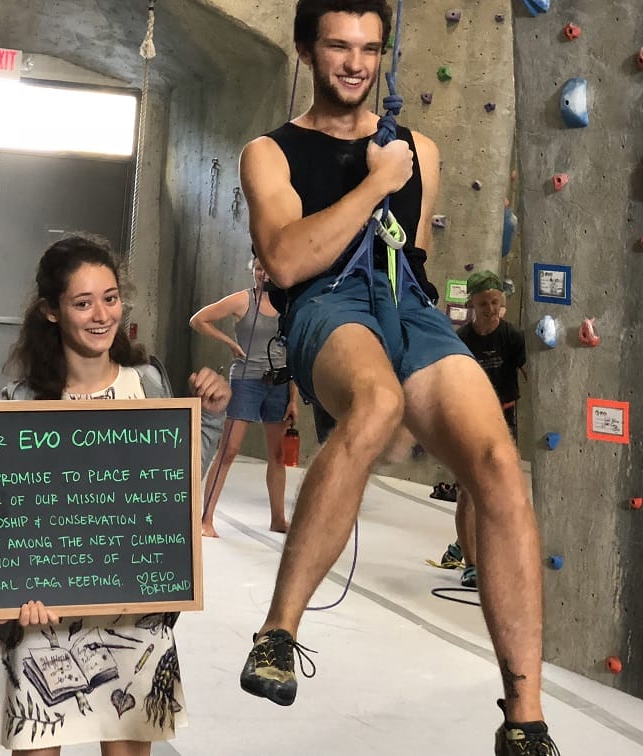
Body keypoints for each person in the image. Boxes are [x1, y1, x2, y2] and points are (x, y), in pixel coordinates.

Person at [236, 2, 557, 754]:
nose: (355, 63)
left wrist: (395, 182)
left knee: (498, 464)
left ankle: (526, 716)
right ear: (308, 51)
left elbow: (409, 254)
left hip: (408, 301)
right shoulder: (271, 152)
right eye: (339, 47)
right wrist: (376, 182)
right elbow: (286, 261)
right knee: (375, 404)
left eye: (370, 49)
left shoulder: (421, 149)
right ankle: (278, 632)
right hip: (326, 300)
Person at [0, 235, 230, 756]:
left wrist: (212, 414)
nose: (100, 315)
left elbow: (173, 487)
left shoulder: (149, 384)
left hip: (135, 617)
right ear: (50, 310)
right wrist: (1, 597)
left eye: (110, 298)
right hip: (42, 616)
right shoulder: (21, 404)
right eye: (82, 302)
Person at [190, 256, 297, 536]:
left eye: (269, 269)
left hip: (280, 381)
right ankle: (206, 519)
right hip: (247, 379)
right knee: (229, 450)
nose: (264, 274)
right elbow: (198, 320)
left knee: (277, 455)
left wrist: (294, 399)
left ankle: (278, 519)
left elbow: (293, 353)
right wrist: (230, 343)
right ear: (253, 270)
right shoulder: (242, 300)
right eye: (259, 268)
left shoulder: (288, 304)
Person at [440, 270, 528, 589]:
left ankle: (467, 543)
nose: (490, 309)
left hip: (504, 418)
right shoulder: (462, 340)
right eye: (483, 303)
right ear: (472, 305)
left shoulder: (513, 337)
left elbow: (531, 374)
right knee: (467, 491)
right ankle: (472, 562)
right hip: (471, 418)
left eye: (495, 302)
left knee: (499, 488)